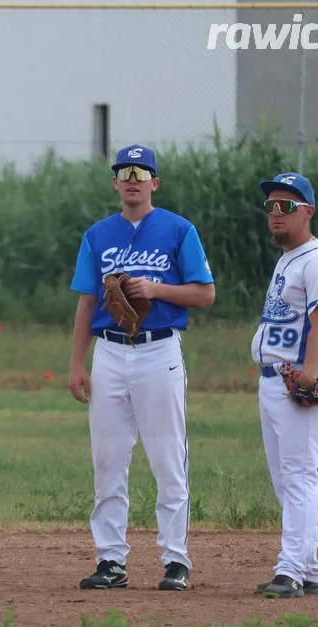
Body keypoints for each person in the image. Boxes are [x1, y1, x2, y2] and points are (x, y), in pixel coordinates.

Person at [68, 144, 215, 591]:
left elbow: (205, 294)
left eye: (142, 171)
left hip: (159, 352)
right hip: (109, 353)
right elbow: (87, 300)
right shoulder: (97, 235)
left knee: (167, 458)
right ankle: (110, 561)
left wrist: (156, 289)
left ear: (155, 182)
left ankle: (176, 561)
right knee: (108, 460)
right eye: (124, 170)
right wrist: (77, 363)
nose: (133, 178)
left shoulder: (178, 230)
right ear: (114, 181)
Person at [251, 172, 318, 598]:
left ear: (308, 212)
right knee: (286, 479)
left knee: (299, 477)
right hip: (273, 381)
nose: (276, 212)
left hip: (296, 383)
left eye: (286, 206)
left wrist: (308, 377)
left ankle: (290, 571)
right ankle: (309, 568)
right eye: (271, 204)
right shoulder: (288, 257)